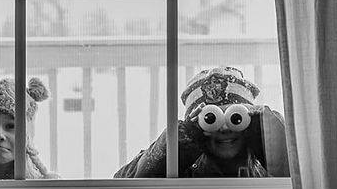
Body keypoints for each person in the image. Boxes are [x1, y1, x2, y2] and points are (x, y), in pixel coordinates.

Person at [115, 65, 289, 178]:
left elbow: (303, 175)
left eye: (235, 117)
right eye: (211, 118)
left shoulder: (268, 165)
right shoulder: (181, 163)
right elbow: (122, 183)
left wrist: (269, 130)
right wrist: (180, 140)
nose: (224, 127)